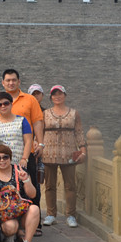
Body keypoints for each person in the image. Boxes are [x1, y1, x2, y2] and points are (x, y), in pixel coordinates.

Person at [0, 69, 45, 208]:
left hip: (24, 155)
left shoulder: (30, 99)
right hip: (2, 159)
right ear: (3, 82)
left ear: (19, 81)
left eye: (14, 80)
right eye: (8, 80)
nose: (11, 83)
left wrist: (40, 143)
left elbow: (37, 122)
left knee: (31, 186)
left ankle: (34, 217)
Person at [42, 85, 86, 228]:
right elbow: (40, 132)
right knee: (49, 186)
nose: (57, 97)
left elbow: (79, 132)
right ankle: (51, 214)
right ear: (51, 97)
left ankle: (71, 215)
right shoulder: (45, 113)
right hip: (49, 152)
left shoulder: (74, 113)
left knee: (70, 185)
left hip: (69, 152)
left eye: (60, 94)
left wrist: (83, 151)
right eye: (54, 94)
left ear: (65, 96)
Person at [0, 144, 40, 242]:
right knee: (10, 227)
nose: (2, 160)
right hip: (4, 215)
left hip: (21, 211)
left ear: (10, 158)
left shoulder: (19, 170)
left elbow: (33, 194)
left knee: (35, 209)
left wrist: (26, 180)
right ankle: (10, 236)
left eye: (5, 157)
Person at [0, 92, 33, 168]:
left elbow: (28, 141)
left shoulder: (22, 120)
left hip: (19, 163)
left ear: (11, 104)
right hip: (0, 163)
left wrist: (24, 158)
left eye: (6, 103)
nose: (3, 106)